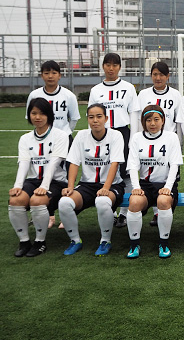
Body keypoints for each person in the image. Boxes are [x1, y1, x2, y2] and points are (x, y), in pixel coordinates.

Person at [58, 103, 126, 256]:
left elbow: (115, 163)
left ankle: (105, 241)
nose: (95, 120)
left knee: (102, 201)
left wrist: (106, 188)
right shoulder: (81, 136)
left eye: (99, 116)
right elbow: (74, 162)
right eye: (91, 117)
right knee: (64, 202)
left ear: (106, 119)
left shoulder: (116, 135)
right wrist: (70, 186)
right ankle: (75, 240)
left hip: (113, 185)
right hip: (87, 185)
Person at [9, 98, 69, 257]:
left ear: (49, 115)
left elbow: (54, 163)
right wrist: (18, 186)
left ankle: (40, 242)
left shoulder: (61, 136)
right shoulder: (25, 138)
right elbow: (23, 163)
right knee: (15, 200)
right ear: (29, 115)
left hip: (56, 182)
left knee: (37, 200)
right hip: (33, 181)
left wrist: (44, 186)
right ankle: (24, 241)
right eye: (33, 113)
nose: (37, 117)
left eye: (42, 113)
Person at [25, 60, 80, 229]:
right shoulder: (34, 95)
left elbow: (74, 118)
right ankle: (49, 214)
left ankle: (66, 212)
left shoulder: (68, 95)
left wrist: (63, 134)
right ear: (41, 75)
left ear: (60, 75)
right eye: (47, 73)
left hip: (64, 140)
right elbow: (29, 117)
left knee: (66, 177)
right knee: (45, 174)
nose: (50, 76)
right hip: (42, 141)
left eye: (54, 73)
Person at [88, 53, 140, 229]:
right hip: (103, 134)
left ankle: (124, 213)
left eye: (115, 65)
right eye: (108, 65)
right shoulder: (96, 90)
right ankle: (110, 212)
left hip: (123, 132)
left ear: (120, 67)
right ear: (103, 66)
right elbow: (91, 114)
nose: (111, 68)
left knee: (126, 172)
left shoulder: (128, 88)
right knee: (106, 171)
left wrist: (132, 138)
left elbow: (133, 113)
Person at [125, 105, 182, 259]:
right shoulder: (137, 138)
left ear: (163, 120)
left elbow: (175, 165)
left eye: (156, 119)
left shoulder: (171, 137)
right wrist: (136, 187)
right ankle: (134, 244)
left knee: (163, 201)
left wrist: (168, 187)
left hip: (164, 184)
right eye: (148, 120)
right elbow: (132, 166)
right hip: (145, 185)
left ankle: (164, 243)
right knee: (134, 202)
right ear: (143, 122)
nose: (152, 123)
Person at [137, 61, 183, 227]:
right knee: (149, 175)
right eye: (155, 74)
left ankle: (162, 210)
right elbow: (139, 119)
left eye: (162, 74)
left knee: (167, 178)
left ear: (167, 76)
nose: (158, 78)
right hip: (148, 140)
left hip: (168, 143)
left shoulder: (176, 95)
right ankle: (155, 212)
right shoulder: (143, 94)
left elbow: (178, 121)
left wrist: (178, 143)